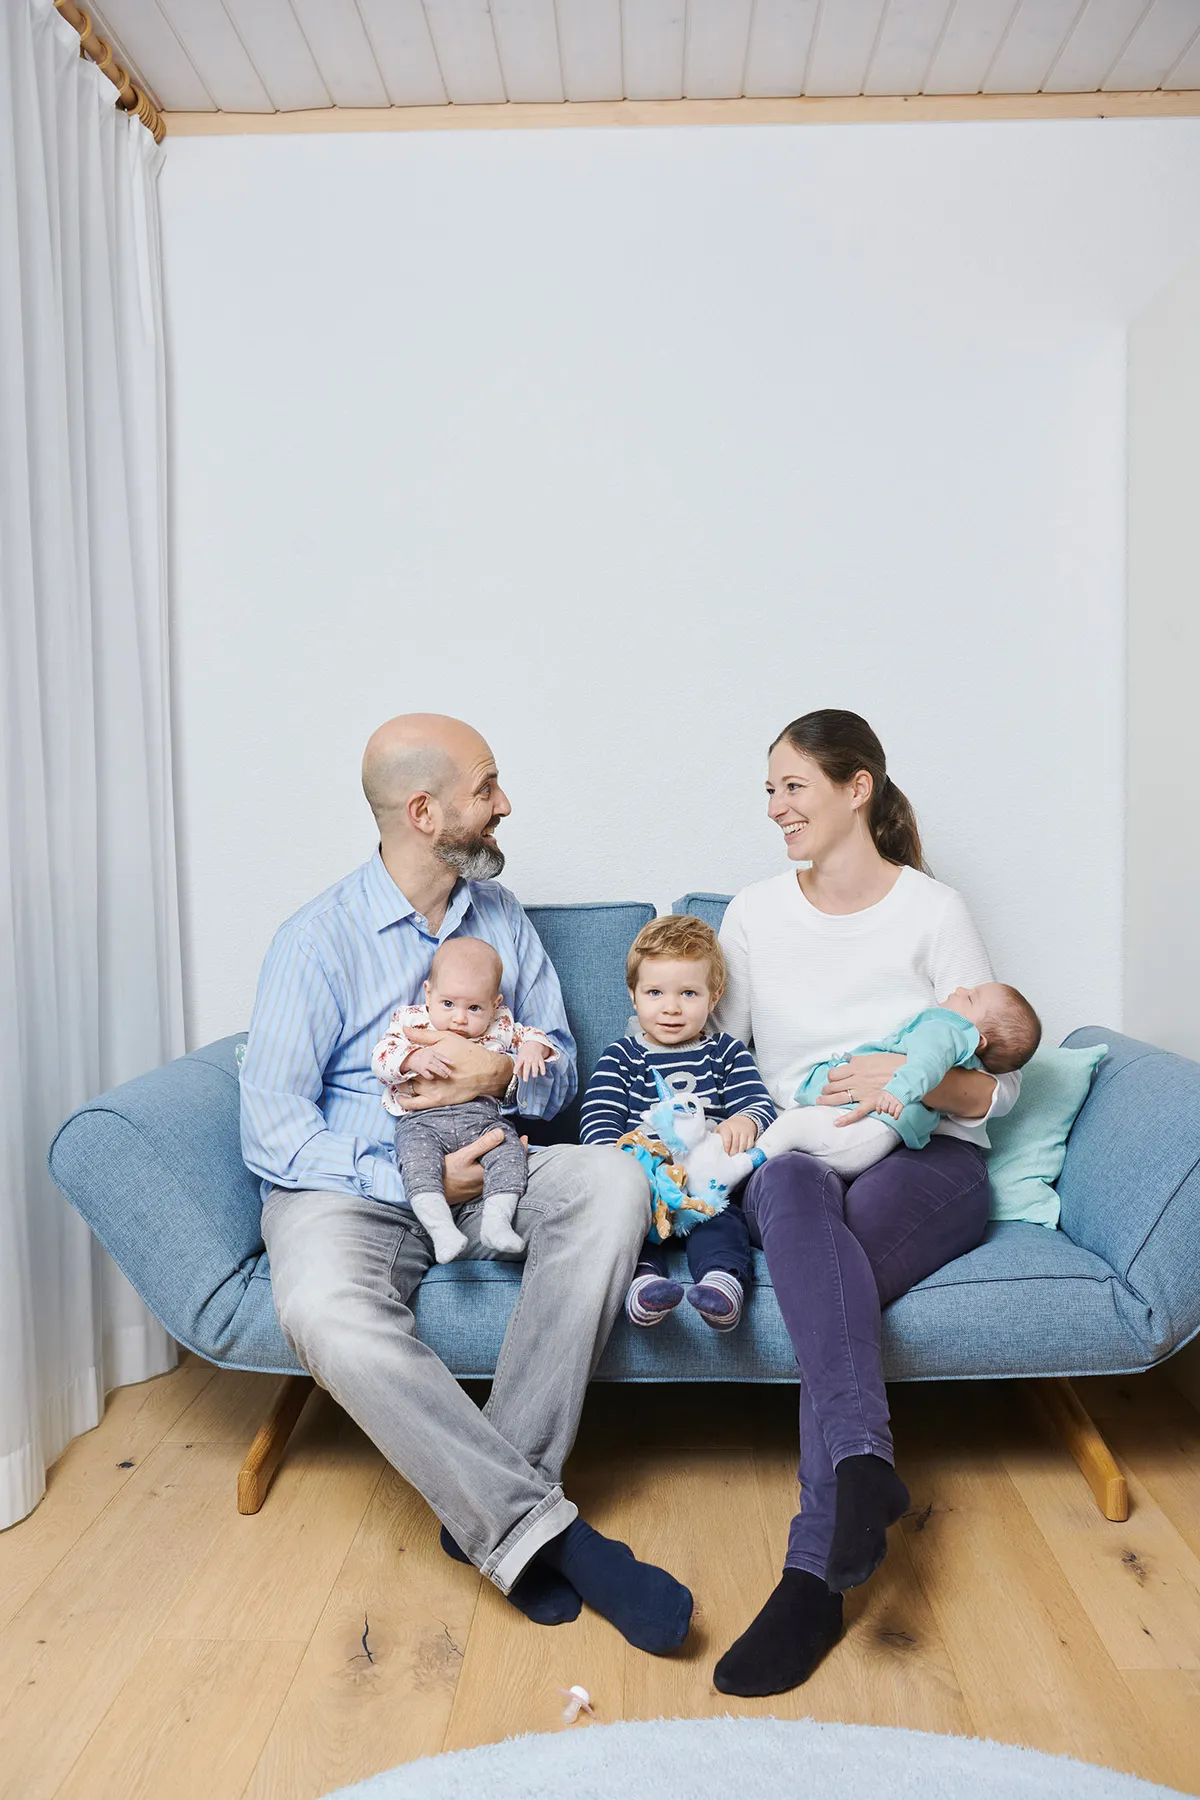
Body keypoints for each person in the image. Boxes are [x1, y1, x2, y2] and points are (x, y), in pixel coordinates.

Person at [240, 713, 692, 1655]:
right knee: (324, 1308)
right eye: (487, 788)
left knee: (613, 1182)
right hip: (350, 1185)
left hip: (495, 1166)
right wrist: (399, 1172)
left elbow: (562, 1068)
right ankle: (546, 1535)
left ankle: (490, 1511)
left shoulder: (505, 919)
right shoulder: (316, 941)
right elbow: (274, 1129)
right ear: (425, 810)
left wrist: (501, 1075)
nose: (504, 804)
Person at [710, 708, 1021, 1698]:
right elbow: (727, 1071)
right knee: (793, 1186)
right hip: (802, 1154)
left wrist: (902, 1080)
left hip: (930, 1163)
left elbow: (993, 1087)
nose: (776, 808)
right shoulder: (755, 915)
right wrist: (750, 1124)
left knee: (823, 1307)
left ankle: (814, 1569)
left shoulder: (932, 910)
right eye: (768, 790)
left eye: (793, 786)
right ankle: (856, 1485)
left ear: (859, 789)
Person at [580, 914, 775, 1333]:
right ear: (634, 996)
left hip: (707, 1188)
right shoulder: (622, 1057)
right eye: (655, 992)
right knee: (627, 1229)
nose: (671, 1007)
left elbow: (760, 1104)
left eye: (688, 993)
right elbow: (598, 1119)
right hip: (645, 1185)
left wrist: (746, 1118)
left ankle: (722, 1285)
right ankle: (644, 1287)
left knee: (723, 1224)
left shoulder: (725, 1052)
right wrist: (618, 1165)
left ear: (714, 996)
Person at [372, 934, 558, 1262]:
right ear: (428, 992)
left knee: (511, 1152)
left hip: (483, 1119)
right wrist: (411, 1059)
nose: (459, 1018)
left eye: (474, 1007)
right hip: (421, 1122)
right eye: (448, 1004)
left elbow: (532, 1035)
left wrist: (532, 1048)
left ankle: (497, 1222)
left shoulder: (501, 1024)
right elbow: (382, 1056)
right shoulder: (412, 1020)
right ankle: (440, 1227)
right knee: (417, 1162)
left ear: (495, 1003)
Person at [760, 980, 1041, 1179]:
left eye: (969, 997)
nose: (960, 988)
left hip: (911, 1139)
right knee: (787, 1180)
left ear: (977, 1040)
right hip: (868, 1125)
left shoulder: (947, 1028)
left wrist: (896, 1081)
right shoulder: (751, 913)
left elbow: (1005, 1079)